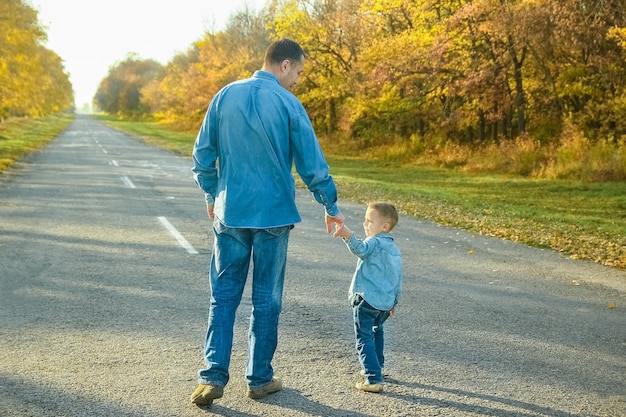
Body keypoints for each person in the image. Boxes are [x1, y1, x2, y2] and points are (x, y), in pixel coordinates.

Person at [189, 38, 344, 407]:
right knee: (266, 300)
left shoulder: (224, 95)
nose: (298, 81)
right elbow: (312, 165)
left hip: (231, 213)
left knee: (223, 297)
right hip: (273, 215)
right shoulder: (289, 104)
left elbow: (202, 156)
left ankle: (212, 376)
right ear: (285, 64)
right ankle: (259, 379)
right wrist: (331, 205)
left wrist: (213, 195)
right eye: (299, 72)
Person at [333, 202, 403, 393]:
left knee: (364, 337)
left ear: (384, 227)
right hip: (384, 304)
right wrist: (394, 300)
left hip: (366, 300)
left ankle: (372, 378)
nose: (365, 224)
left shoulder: (374, 242)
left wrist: (347, 234)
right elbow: (398, 278)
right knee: (376, 331)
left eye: (369, 221)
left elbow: (360, 249)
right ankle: (377, 368)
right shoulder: (394, 250)